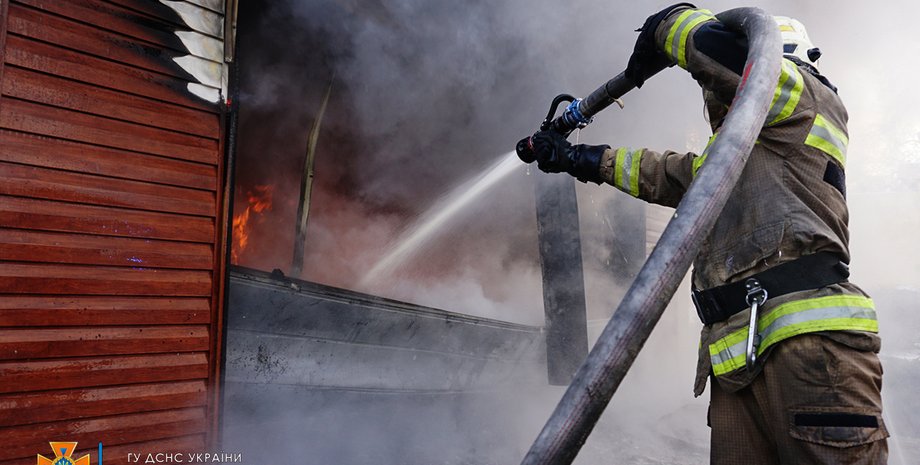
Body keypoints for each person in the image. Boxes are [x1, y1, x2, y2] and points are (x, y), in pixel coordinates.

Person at [521, 4, 888, 464]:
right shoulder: (744, 151)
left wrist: (670, 21)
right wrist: (582, 159)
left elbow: (720, 54)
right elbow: (671, 177)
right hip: (739, 353)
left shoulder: (804, 96)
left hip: (810, 347)